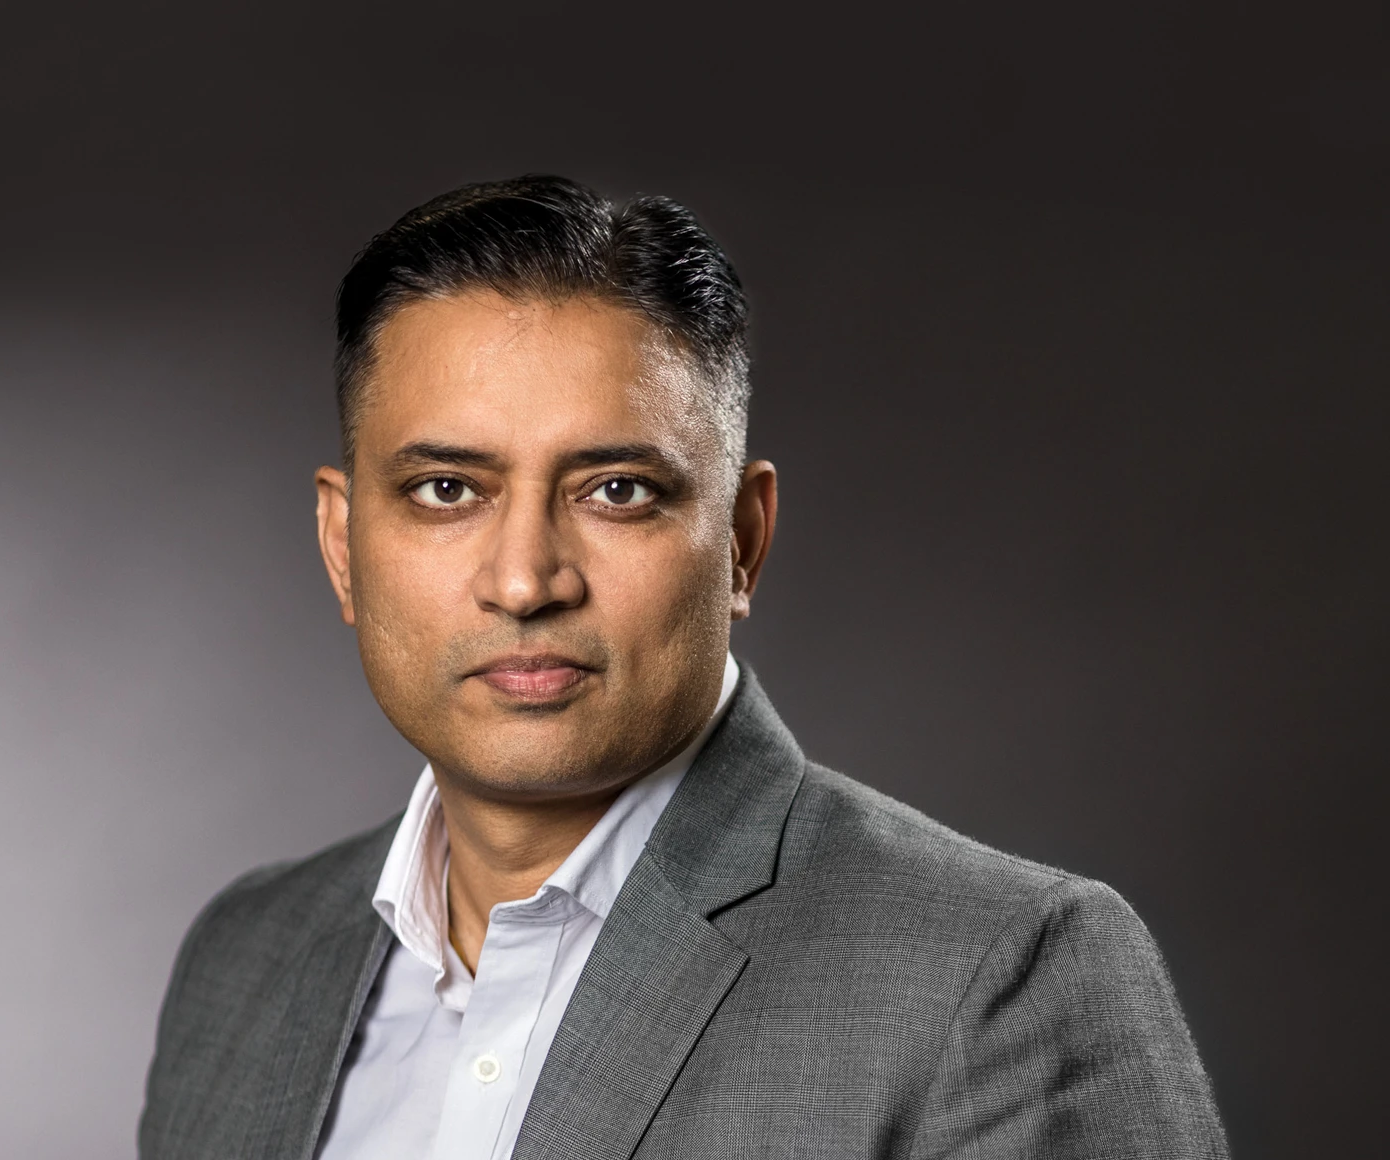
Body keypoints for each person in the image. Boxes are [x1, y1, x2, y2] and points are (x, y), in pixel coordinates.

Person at [138, 175, 1228, 1159]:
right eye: (446, 490)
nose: (524, 581)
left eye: (616, 490)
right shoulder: (245, 961)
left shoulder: (998, 976)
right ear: (342, 546)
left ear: (742, 541)